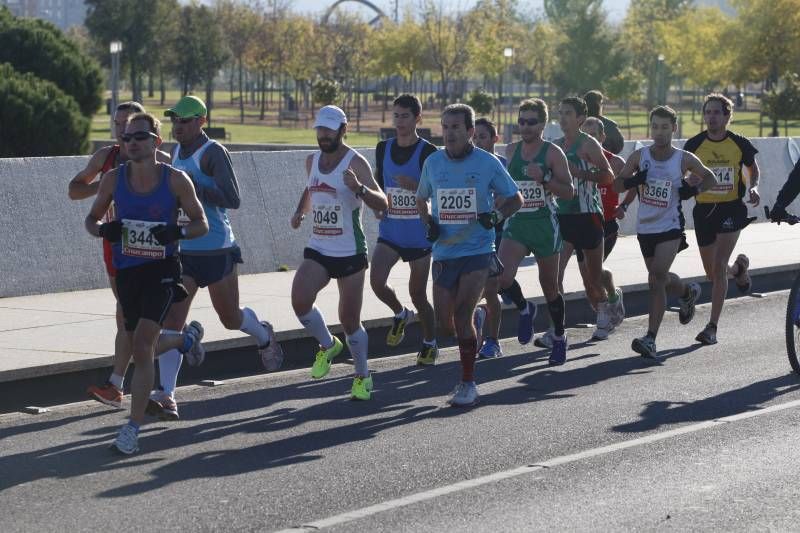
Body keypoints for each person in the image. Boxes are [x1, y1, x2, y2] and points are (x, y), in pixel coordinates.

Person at [151, 95, 283, 420]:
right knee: (171, 323)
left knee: (230, 319)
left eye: (184, 121)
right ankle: (167, 395)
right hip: (184, 251)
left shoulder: (212, 153)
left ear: (201, 121)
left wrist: (194, 186)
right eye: (174, 121)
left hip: (217, 248)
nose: (177, 127)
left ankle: (264, 336)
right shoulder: (175, 152)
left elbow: (232, 199)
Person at [85, 112, 208, 454]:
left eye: (139, 137)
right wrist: (103, 231)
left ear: (156, 141)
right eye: (126, 138)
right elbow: (91, 220)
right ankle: (185, 340)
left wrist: (177, 231)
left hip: (163, 270)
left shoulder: (176, 180)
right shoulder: (113, 179)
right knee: (140, 344)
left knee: (141, 346)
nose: (131, 143)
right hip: (128, 271)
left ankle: (132, 428)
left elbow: (201, 224)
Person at [416, 103, 522, 406]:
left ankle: (467, 383)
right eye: (445, 127)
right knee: (446, 324)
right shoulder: (433, 164)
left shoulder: (487, 163)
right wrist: (428, 224)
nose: (449, 133)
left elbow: (515, 198)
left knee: (460, 317)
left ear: (470, 131)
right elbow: (421, 199)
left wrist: (496, 217)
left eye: (456, 128)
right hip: (444, 252)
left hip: (478, 250)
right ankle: (475, 317)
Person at [69, 101, 172, 408]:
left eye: (130, 127)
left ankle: (143, 386)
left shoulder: (164, 163)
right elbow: (74, 190)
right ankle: (127, 385)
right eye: (118, 126)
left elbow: (186, 204)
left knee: (137, 320)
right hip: (118, 247)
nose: (124, 134)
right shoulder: (107, 159)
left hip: (156, 252)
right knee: (128, 317)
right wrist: (107, 187)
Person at [291, 105, 388, 400]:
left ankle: (362, 376)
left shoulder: (355, 163)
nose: (323, 135)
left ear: (343, 130)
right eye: (320, 129)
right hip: (319, 246)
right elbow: (311, 188)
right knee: (300, 299)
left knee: (349, 320)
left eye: (329, 130)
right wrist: (300, 212)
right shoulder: (312, 161)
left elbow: (383, 203)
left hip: (349, 251)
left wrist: (359, 189)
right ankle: (327, 345)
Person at [614, 105, 717, 359]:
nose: (658, 133)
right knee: (658, 277)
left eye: (664, 127)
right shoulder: (640, 156)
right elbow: (616, 183)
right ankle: (687, 292)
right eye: (655, 127)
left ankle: (650, 339)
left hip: (670, 226)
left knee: (657, 277)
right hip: (645, 227)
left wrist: (692, 191)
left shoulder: (683, 158)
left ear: (674, 128)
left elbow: (711, 178)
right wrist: (634, 181)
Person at [481, 99, 574, 365]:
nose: (525, 126)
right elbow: (503, 188)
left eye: (531, 122)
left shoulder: (553, 153)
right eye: (521, 121)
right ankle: (525, 309)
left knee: (551, 287)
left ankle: (558, 335)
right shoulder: (511, 151)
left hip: (545, 225)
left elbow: (569, 192)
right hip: (517, 225)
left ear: (543, 124)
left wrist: (544, 178)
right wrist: (499, 200)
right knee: (502, 278)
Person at [683, 93, 760, 345]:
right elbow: (682, 174)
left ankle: (712, 327)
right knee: (712, 272)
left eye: (717, 112)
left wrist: (753, 187)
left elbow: (752, 168)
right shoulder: (694, 144)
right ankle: (738, 270)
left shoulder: (739, 143)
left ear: (727, 116)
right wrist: (689, 181)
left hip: (731, 209)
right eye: (708, 112)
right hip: (704, 211)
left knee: (718, 267)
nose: (711, 117)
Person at [370, 94, 439, 365]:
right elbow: (378, 181)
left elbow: (437, 190)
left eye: (405, 116)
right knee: (376, 282)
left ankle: (430, 341)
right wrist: (376, 203)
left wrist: (417, 187)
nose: (399, 121)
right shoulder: (382, 148)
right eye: (396, 116)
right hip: (390, 231)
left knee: (419, 294)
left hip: (418, 234)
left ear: (417, 119)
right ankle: (400, 313)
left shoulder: (428, 152)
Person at [554, 97, 617, 341]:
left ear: (580, 118)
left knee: (592, 276)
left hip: (588, 215)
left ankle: (604, 312)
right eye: (560, 113)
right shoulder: (556, 146)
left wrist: (581, 173)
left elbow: (608, 176)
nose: (562, 118)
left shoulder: (588, 144)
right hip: (562, 215)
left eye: (567, 113)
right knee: (553, 276)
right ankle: (557, 329)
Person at [584, 90, 624, 154]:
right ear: (599, 104)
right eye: (602, 103)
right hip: (605, 159)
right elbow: (619, 145)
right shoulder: (609, 125)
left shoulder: (576, 123)